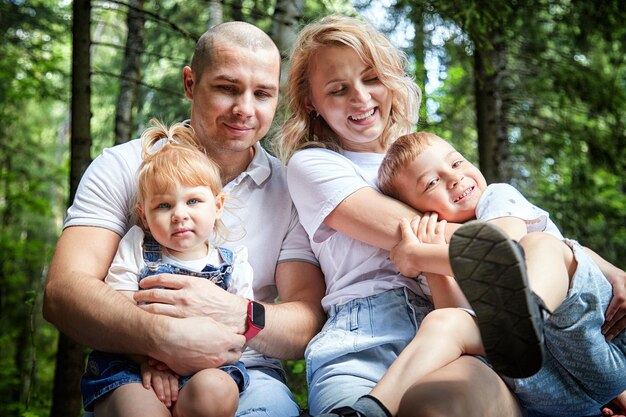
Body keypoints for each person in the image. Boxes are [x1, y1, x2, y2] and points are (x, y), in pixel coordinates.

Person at [274, 14, 626, 417]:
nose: (360, 97)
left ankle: (532, 322)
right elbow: (483, 243)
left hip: (467, 327)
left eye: (371, 78)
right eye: (338, 89)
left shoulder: (429, 161)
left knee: (441, 404)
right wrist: (560, 250)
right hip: (366, 336)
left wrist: (595, 263)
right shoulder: (314, 164)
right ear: (309, 102)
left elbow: (494, 241)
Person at [43, 22, 325, 417]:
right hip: (134, 367)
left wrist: (238, 313)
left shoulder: (290, 187)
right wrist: (160, 338)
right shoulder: (124, 166)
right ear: (191, 84)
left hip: (244, 371)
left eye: (262, 94)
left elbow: (308, 321)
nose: (245, 108)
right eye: (227, 88)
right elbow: (62, 292)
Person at [374, 131, 626, 417]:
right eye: (432, 182)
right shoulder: (435, 251)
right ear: (417, 211)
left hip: (597, 338)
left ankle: (528, 315)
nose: (454, 178)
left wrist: (417, 255)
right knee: (444, 320)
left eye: (456, 163)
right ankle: (372, 407)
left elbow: (502, 249)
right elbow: (460, 315)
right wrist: (432, 266)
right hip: (544, 386)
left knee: (539, 245)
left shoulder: (495, 197)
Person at [80, 120, 254, 416]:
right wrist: (150, 359)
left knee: (218, 391)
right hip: (135, 363)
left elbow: (242, 330)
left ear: (218, 205)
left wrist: (202, 357)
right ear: (144, 216)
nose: (179, 215)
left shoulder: (232, 262)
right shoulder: (137, 245)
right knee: (139, 408)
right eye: (163, 206)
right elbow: (119, 306)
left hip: (205, 364)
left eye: (193, 201)